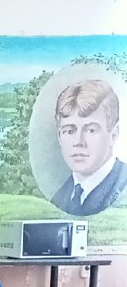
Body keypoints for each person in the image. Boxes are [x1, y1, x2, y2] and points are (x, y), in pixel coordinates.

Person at [49, 79, 127, 216]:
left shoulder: (122, 185)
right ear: (59, 136)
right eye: (69, 131)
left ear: (113, 135)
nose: (79, 142)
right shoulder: (58, 198)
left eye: (91, 130)